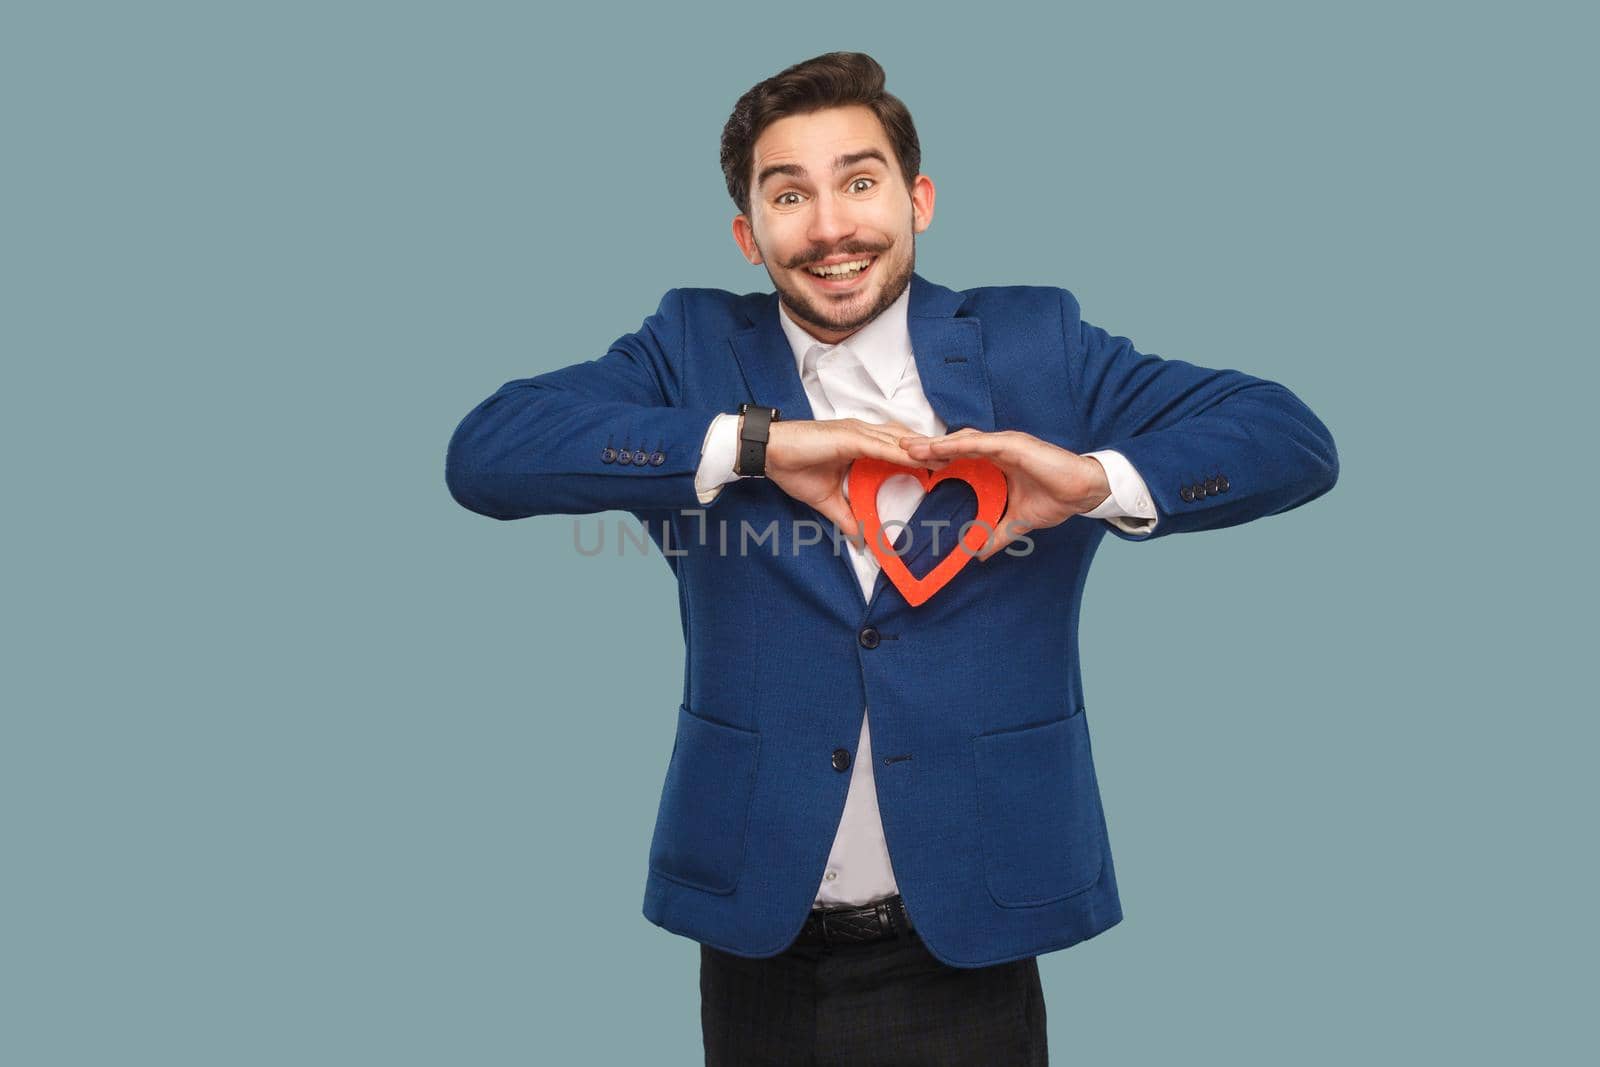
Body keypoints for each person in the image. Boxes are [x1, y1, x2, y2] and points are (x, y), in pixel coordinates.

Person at [446, 50, 1338, 1067]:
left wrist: (1090, 482)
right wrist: (757, 444)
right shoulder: (689, 349)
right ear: (749, 233)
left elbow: (1288, 439)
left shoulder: (1035, 343)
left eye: (859, 182)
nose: (830, 227)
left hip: (970, 921)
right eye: (789, 195)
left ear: (916, 199)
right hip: (757, 925)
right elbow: (488, 451)